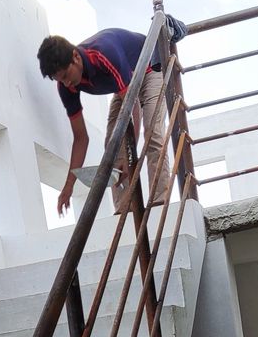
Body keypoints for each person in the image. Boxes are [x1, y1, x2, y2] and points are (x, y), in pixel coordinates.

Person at [37, 28, 170, 216]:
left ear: (75, 57)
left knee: (152, 132)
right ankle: (125, 210)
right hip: (124, 84)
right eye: (60, 80)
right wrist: (68, 187)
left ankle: (159, 202)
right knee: (113, 146)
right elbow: (81, 138)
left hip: (150, 69)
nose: (66, 83)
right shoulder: (66, 87)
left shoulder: (104, 54)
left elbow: (134, 109)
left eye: (66, 76)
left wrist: (129, 154)